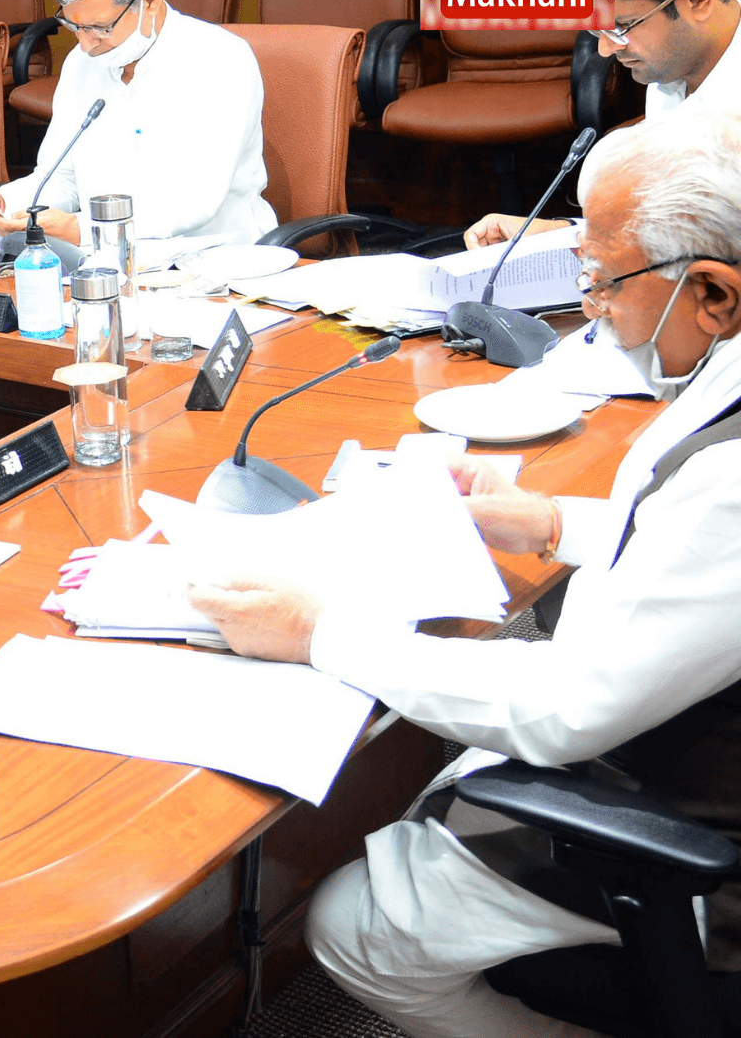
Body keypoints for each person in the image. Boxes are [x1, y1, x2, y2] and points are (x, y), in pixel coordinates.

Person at [189, 104, 741, 1038]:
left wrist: (318, 632)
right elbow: (697, 549)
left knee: (354, 925)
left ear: (715, 295)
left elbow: (569, 708)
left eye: (605, 283)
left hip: (700, 832)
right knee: (457, 761)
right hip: (678, 726)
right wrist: (553, 521)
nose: (593, 311)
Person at [0, 0, 272, 248]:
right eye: (75, 26)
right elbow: (62, 178)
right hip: (107, 257)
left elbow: (194, 202)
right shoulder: (81, 63)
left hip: (215, 256)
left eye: (100, 28)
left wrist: (82, 230)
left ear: (150, 2)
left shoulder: (221, 59)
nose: (86, 45)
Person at [467, 0, 741, 248]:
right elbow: (679, 226)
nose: (605, 49)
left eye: (621, 27)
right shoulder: (674, 70)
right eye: (597, 30)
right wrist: (559, 234)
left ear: (696, 1)